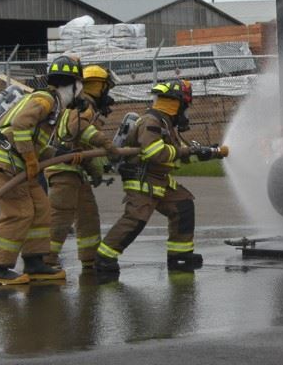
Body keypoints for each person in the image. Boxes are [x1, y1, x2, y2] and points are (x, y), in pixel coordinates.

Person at [95, 79, 226, 273]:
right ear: (175, 103)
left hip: (159, 180)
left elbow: (178, 156)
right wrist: (187, 151)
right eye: (184, 106)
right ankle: (104, 257)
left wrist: (207, 152)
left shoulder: (165, 123)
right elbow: (154, 153)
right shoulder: (151, 122)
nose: (186, 112)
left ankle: (180, 255)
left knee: (183, 205)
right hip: (143, 180)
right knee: (135, 220)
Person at [0, 55, 83, 285]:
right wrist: (29, 158)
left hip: (18, 164)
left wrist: (62, 156)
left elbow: (37, 146)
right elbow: (20, 125)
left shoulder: (53, 104)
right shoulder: (46, 100)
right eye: (80, 85)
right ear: (73, 84)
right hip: (4, 161)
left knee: (41, 208)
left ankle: (35, 263)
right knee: (19, 212)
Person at [44, 64, 117, 270]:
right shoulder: (84, 105)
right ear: (99, 86)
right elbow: (78, 129)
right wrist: (107, 144)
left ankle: (90, 258)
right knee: (61, 216)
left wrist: (94, 171)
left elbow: (80, 145)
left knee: (88, 216)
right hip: (63, 169)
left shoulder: (81, 103)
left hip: (75, 170)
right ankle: (45, 260)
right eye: (106, 87)